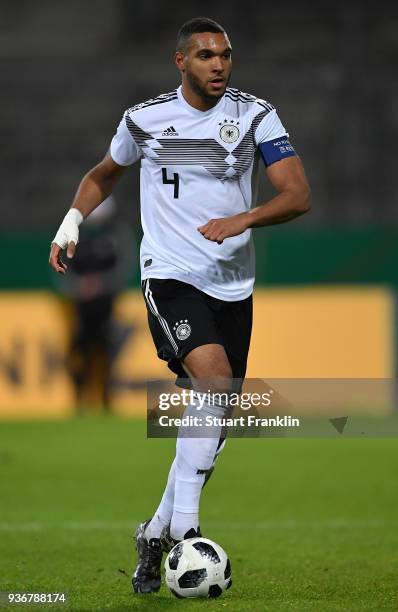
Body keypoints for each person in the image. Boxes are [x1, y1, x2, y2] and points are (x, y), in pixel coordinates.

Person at [49, 17, 311, 595]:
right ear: (181, 62)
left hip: (233, 287)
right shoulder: (143, 120)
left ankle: (155, 532)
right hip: (168, 276)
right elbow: (104, 174)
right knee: (212, 384)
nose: (219, 65)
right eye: (206, 56)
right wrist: (71, 223)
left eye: (226, 55)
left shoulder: (254, 116)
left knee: (213, 425)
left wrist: (243, 218)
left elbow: (297, 194)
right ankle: (190, 536)